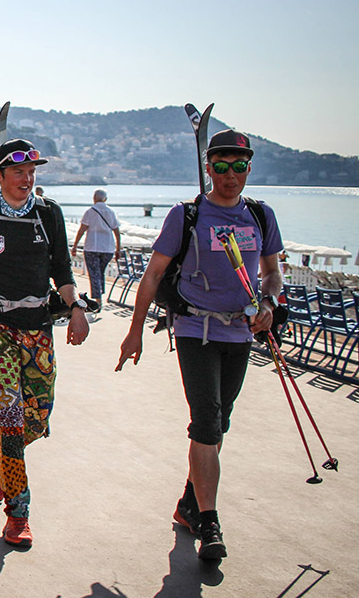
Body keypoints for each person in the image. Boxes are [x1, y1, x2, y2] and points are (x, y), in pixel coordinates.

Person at [115, 129, 283, 561]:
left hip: (240, 332)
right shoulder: (186, 215)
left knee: (220, 423)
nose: (231, 175)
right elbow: (153, 274)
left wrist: (267, 301)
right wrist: (135, 330)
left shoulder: (261, 216)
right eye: (222, 166)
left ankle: (190, 502)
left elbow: (271, 272)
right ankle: (210, 523)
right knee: (206, 421)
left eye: (240, 166)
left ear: (249, 168)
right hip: (194, 329)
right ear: (209, 168)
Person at [0, 137, 89, 549]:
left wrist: (77, 306)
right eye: (18, 173)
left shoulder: (50, 214)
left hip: (39, 328)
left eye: (31, 173)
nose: (27, 180)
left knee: (38, 418)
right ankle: (18, 513)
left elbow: (62, 270)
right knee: (10, 421)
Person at [70, 189, 121, 311]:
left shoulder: (90, 212)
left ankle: (98, 301)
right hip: (108, 248)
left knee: (94, 275)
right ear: (105, 199)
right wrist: (118, 248)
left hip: (92, 247)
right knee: (100, 273)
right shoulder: (111, 212)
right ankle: (99, 295)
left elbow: (82, 230)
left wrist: (75, 245)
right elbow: (117, 232)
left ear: (94, 198)